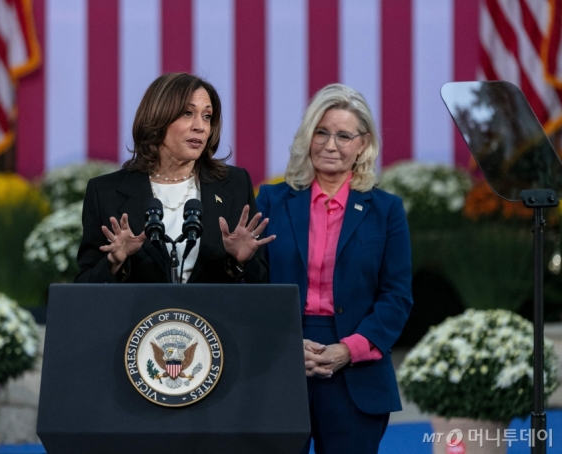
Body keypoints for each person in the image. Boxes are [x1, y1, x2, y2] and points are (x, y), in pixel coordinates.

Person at [256, 83, 413, 454]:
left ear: (363, 144)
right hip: (281, 358)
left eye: (344, 136)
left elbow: (397, 296)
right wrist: (288, 343)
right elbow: (253, 286)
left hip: (356, 367)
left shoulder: (386, 210)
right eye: (322, 132)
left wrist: (349, 349)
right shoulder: (271, 200)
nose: (330, 145)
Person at [75, 73, 274, 284]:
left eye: (207, 116)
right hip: (140, 316)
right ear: (158, 118)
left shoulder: (234, 184)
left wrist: (241, 262)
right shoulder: (105, 193)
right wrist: (113, 262)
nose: (200, 126)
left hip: (212, 316)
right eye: (188, 113)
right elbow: (84, 289)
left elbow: (260, 285)